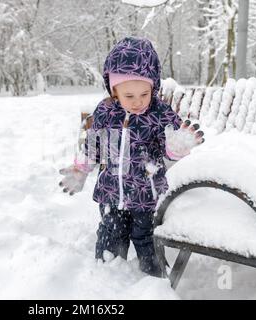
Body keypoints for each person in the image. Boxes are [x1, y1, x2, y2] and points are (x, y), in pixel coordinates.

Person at [59, 37, 204, 276]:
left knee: (145, 237)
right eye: (129, 96)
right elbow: (95, 145)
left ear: (153, 87)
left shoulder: (159, 113)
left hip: (146, 192)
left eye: (144, 94)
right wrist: (81, 169)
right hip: (111, 193)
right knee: (110, 233)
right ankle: (106, 280)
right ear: (113, 89)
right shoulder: (105, 111)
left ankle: (154, 281)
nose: (138, 102)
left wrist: (176, 148)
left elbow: (170, 147)